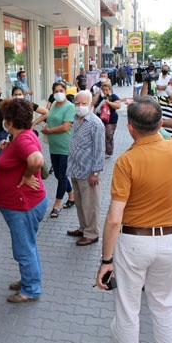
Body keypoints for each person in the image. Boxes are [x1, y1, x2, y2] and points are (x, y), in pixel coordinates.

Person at [96, 96, 172, 343]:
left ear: (130, 127)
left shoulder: (127, 161)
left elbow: (114, 218)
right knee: (165, 308)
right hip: (170, 241)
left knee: (127, 312)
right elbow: (165, 133)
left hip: (135, 242)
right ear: (159, 123)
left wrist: (105, 260)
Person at [0, 98, 47, 303]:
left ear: (10, 121)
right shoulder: (21, 136)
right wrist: (7, 147)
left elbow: (36, 160)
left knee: (24, 247)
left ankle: (31, 289)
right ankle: (29, 278)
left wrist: (26, 176)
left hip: (22, 204)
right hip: (23, 203)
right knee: (28, 244)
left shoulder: (23, 139)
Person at [66, 91, 105, 246]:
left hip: (88, 172)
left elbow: (99, 150)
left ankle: (92, 233)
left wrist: (95, 172)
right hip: (75, 169)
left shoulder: (96, 124)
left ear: (91, 104)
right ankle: (83, 228)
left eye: (84, 103)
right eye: (77, 103)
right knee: (81, 203)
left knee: (90, 204)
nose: (80, 107)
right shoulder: (76, 119)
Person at [41, 82, 75, 218]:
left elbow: (65, 127)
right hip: (53, 146)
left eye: (61, 90)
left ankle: (56, 205)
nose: (59, 93)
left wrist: (49, 131)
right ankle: (72, 197)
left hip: (65, 146)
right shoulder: (54, 104)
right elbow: (47, 116)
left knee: (61, 176)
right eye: (56, 91)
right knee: (58, 175)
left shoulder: (70, 107)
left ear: (66, 91)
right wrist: (37, 124)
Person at [92, 80, 121, 157]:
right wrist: (98, 94)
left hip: (111, 120)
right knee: (100, 136)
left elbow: (118, 105)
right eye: (103, 90)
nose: (105, 92)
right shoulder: (99, 97)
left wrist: (108, 102)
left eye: (106, 90)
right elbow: (93, 103)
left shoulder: (113, 96)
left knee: (108, 136)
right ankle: (101, 151)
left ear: (110, 90)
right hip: (99, 119)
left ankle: (108, 152)